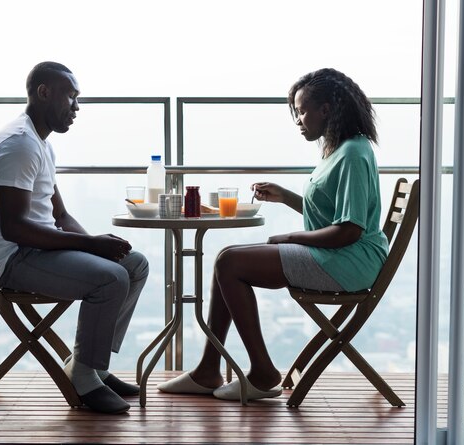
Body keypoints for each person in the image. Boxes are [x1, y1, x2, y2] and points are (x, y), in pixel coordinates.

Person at [157, 68, 388, 401]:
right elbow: (332, 216)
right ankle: (209, 369)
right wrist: (286, 197)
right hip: (338, 255)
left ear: (326, 110)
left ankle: (261, 373)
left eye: (302, 110)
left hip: (347, 261)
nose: (297, 119)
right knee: (228, 261)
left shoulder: (352, 153)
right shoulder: (338, 149)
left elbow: (349, 230)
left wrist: (291, 238)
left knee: (231, 263)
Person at [0, 61, 149, 414]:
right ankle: (83, 377)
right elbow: (15, 229)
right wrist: (91, 247)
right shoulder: (18, 145)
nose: (76, 107)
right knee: (112, 278)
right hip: (15, 259)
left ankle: (93, 367)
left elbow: (61, 216)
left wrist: (99, 247)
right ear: (44, 93)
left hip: (37, 250)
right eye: (71, 97)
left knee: (133, 265)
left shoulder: (40, 144)